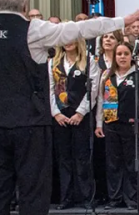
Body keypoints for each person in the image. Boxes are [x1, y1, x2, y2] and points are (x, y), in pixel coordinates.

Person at [0, 0, 139, 215]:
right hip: (29, 123)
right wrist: (121, 21)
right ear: (25, 4)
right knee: (33, 187)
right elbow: (78, 29)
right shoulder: (32, 30)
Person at [49, 37, 100, 210]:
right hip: (60, 116)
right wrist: (55, 113)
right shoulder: (54, 63)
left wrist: (80, 112)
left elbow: (93, 89)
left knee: (82, 157)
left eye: (71, 39)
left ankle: (85, 196)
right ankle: (66, 197)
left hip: (81, 115)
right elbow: (49, 88)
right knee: (63, 158)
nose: (68, 42)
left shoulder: (88, 61)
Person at [94, 42, 139, 210]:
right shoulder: (107, 75)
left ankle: (131, 199)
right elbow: (101, 100)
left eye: (125, 53)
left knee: (131, 163)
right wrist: (99, 123)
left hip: (131, 125)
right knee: (113, 164)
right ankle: (114, 198)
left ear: (132, 56)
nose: (122, 57)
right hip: (111, 124)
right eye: (119, 54)